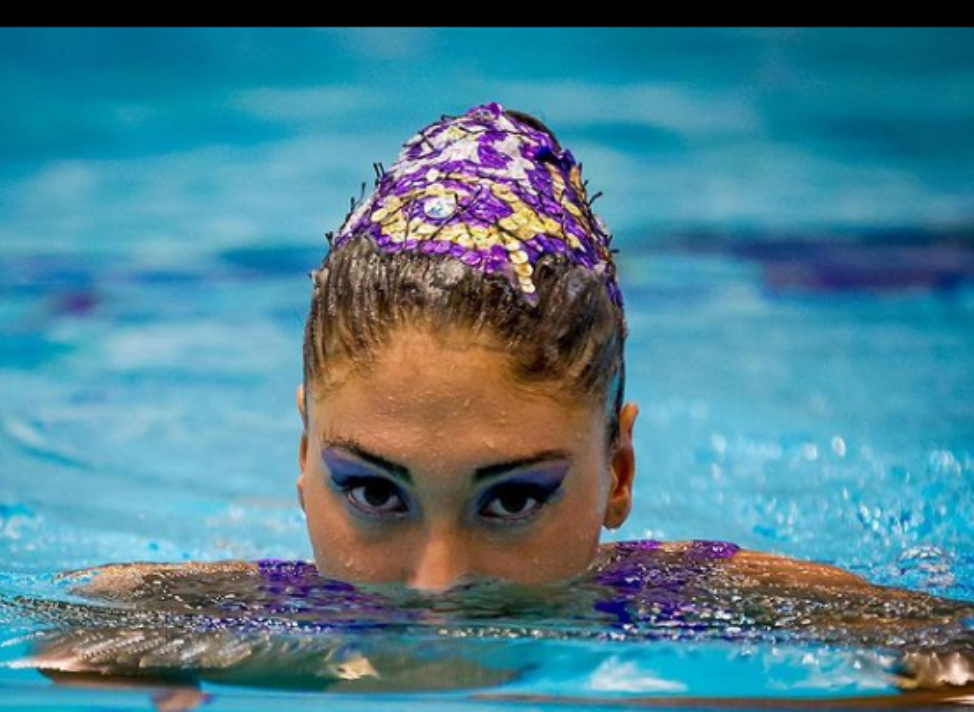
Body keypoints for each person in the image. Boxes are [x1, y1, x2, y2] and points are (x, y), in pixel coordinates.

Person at [23, 102, 974, 700]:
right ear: (303, 460)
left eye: (513, 499)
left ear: (619, 474)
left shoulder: (692, 603)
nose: (438, 585)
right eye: (374, 492)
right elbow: (84, 631)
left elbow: (948, 653)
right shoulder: (225, 613)